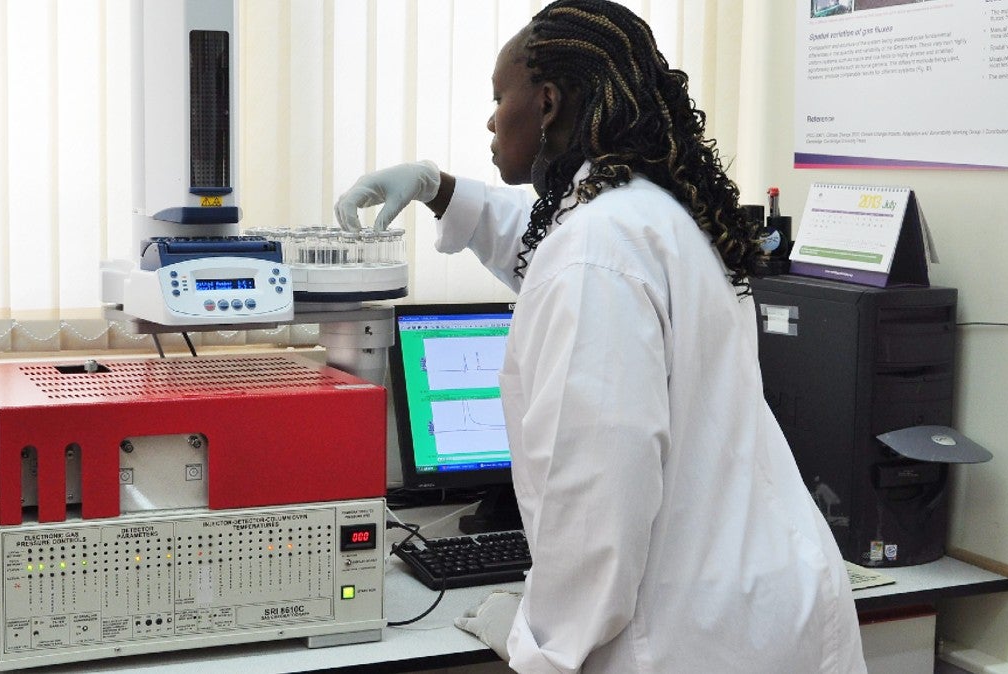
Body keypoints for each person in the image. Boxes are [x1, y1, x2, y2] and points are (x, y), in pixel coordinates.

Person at [334, 1, 867, 672]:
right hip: (757, 600)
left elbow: (596, 504)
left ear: (549, 102)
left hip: (687, 634)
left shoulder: (597, 246)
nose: (492, 118)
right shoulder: (646, 215)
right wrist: (440, 189)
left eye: (501, 97)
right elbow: (540, 238)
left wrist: (539, 640)